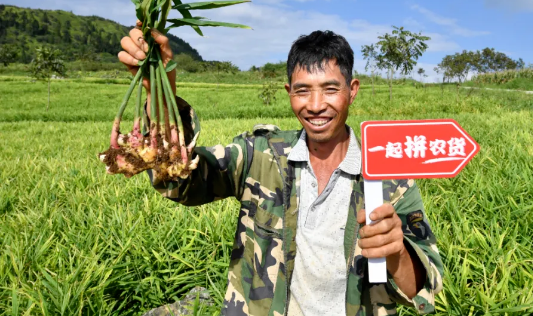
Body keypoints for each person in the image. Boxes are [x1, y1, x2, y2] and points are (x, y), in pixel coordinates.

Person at [118, 27, 444, 316]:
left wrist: (396, 251)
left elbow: (423, 290)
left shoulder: (388, 178)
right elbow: (181, 182)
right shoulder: (261, 156)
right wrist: (159, 92)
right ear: (289, 91)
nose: (315, 105)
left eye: (330, 89)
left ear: (352, 89)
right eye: (303, 91)